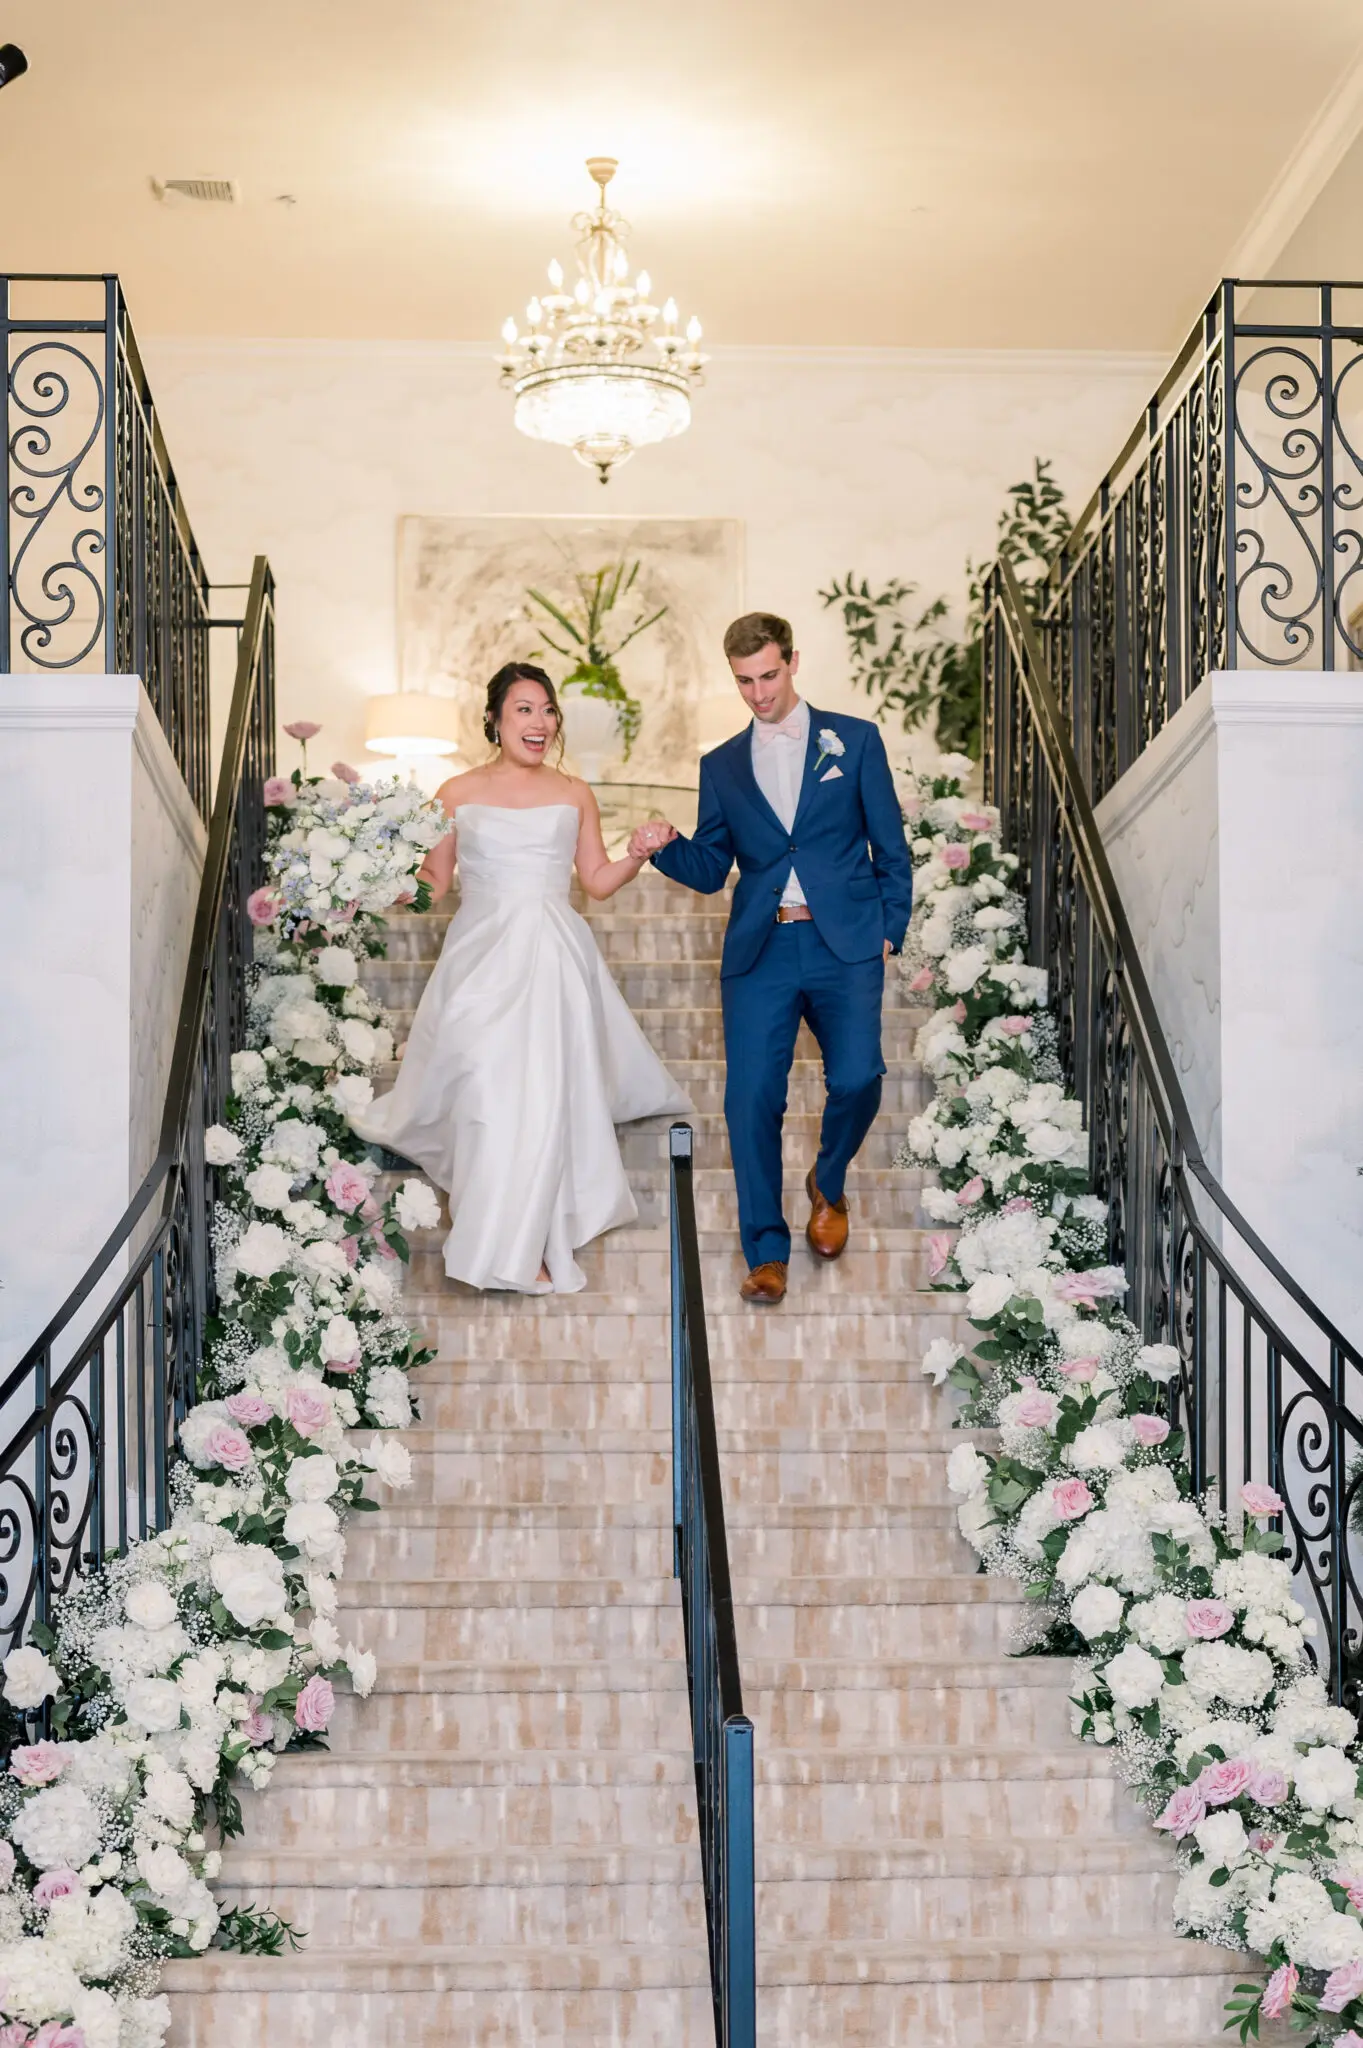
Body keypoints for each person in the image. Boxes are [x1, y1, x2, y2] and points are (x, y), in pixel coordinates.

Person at [352, 661, 687, 1294]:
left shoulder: (574, 792)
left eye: (547, 710)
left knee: (541, 1092)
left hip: (556, 956)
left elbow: (595, 883)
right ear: (496, 720)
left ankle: (528, 1240)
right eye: (525, 710)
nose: (540, 722)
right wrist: (374, 878)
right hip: (481, 955)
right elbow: (433, 883)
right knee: (483, 1086)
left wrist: (638, 856)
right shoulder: (454, 791)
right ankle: (490, 1226)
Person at [629, 612, 913, 1305]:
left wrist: (889, 928)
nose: (757, 694)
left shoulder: (857, 740)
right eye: (743, 682)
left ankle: (829, 1179)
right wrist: (661, 846)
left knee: (857, 1078)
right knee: (749, 1098)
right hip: (760, 947)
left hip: (844, 942)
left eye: (767, 676)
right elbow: (709, 866)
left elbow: (891, 848)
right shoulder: (720, 764)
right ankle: (765, 1251)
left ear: (792, 662)